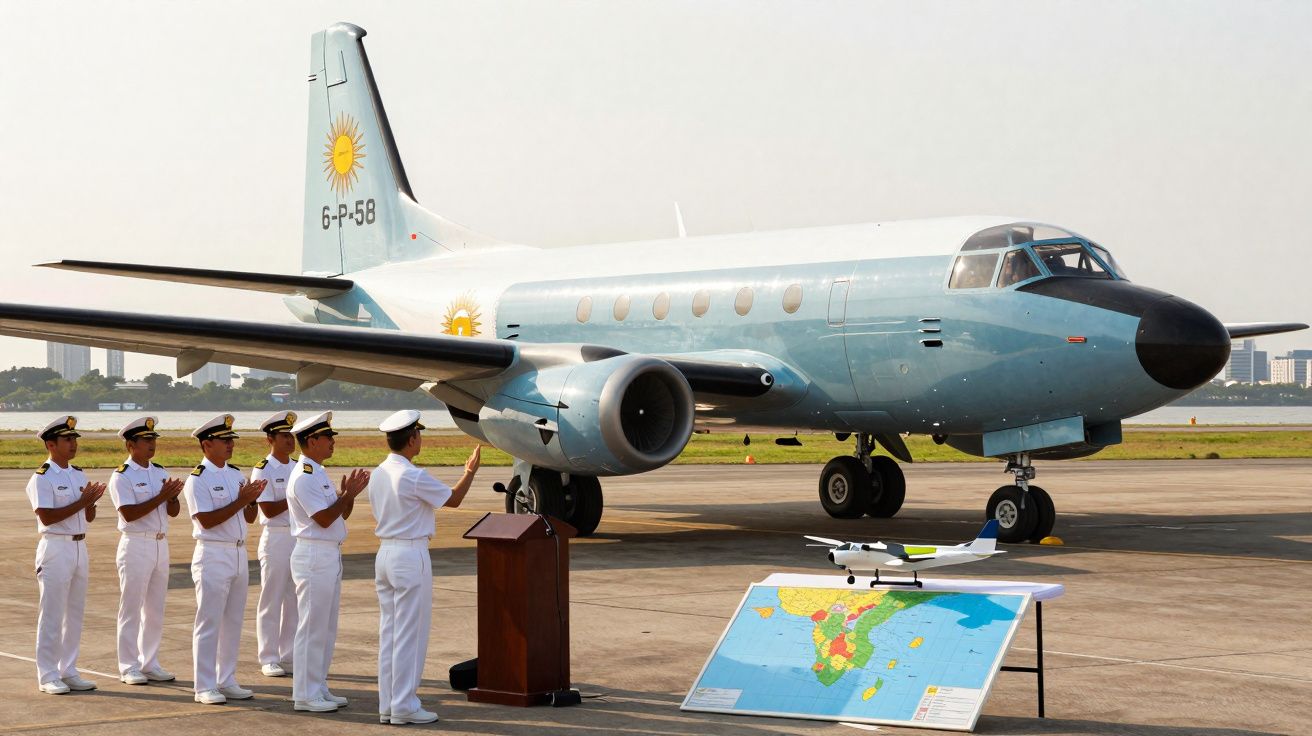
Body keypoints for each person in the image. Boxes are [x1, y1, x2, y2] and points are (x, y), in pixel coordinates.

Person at [369, 410, 481, 725]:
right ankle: (404, 705)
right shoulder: (411, 474)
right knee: (410, 635)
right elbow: (454, 499)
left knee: (390, 634)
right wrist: (470, 471)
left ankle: (389, 704)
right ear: (412, 438)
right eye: (419, 434)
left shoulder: (379, 472)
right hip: (409, 554)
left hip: (386, 554)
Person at [286, 411, 369, 713]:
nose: (332, 442)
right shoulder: (304, 476)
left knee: (326, 627)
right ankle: (305, 695)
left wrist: (350, 496)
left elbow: (340, 512)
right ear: (311, 441)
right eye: (328, 437)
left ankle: (318, 686)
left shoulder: (318, 472)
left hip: (328, 553)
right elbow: (322, 518)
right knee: (311, 627)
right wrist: (346, 495)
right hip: (313, 554)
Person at [182, 413, 265, 705]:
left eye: (231, 440)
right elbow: (206, 520)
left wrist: (252, 500)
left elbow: (250, 517)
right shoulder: (198, 480)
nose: (230, 445)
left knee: (233, 620)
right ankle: (204, 685)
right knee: (209, 621)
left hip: (239, 551)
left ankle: (226, 678)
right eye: (224, 440)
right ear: (207, 445)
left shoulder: (233, 474)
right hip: (213, 552)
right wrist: (242, 501)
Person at [26, 416, 105, 695]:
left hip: (79, 546)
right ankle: (47, 674)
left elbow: (88, 516)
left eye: (74, 439)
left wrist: (91, 503)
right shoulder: (42, 478)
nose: (73, 444)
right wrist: (82, 502)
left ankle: (68, 670)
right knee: (52, 613)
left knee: (74, 613)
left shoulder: (77, 474)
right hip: (55, 547)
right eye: (67, 440)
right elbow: (46, 517)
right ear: (51, 444)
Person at [108, 416, 183, 686]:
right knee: (131, 608)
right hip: (136, 543)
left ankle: (150, 662)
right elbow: (129, 514)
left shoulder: (159, 471)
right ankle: (128, 665)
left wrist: (172, 496)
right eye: (146, 441)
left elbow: (172, 512)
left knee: (155, 609)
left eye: (153, 440)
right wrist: (163, 496)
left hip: (160, 543)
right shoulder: (121, 476)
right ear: (131, 445)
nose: (152, 445)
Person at [251, 410, 299, 678]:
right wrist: (296, 497)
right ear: (271, 439)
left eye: (291, 435)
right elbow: (268, 509)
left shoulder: (297, 466)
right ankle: (268, 656)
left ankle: (289, 653)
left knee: (293, 599)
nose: (290, 440)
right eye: (284, 436)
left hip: (297, 535)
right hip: (276, 537)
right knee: (272, 597)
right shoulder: (263, 469)